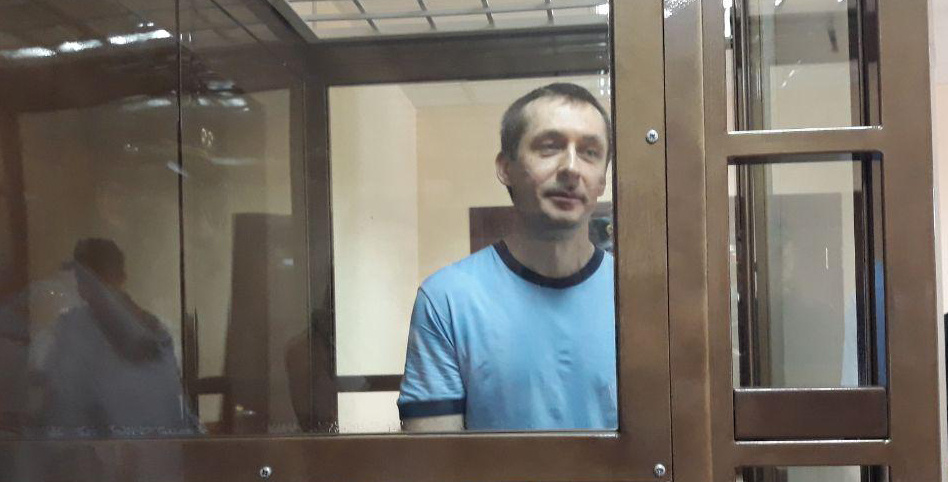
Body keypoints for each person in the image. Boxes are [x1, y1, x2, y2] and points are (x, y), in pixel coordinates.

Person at [397, 83, 616, 431]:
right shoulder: (448, 300)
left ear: (602, 179)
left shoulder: (638, 299)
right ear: (505, 168)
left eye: (590, 152)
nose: (571, 168)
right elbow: (433, 458)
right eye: (549, 147)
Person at [33, 238, 200, 438]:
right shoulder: (72, 330)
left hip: (119, 451)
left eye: (91, 279)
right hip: (150, 450)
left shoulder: (74, 331)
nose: (87, 289)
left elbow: (62, 417)